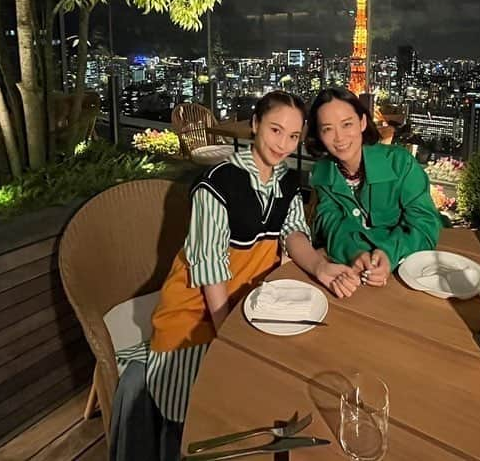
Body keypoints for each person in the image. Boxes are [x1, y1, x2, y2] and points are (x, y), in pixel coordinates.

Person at [110, 91, 359, 460]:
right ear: (255, 125)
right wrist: (230, 336)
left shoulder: (286, 183)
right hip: (197, 311)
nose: (283, 144)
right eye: (275, 130)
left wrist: (321, 267)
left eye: (292, 136)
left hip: (250, 304)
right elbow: (210, 268)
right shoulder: (216, 184)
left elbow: (294, 234)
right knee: (190, 416)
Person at [306, 88, 443, 287]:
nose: (339, 137)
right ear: (319, 134)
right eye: (327, 129)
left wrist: (389, 252)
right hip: (350, 273)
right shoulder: (323, 174)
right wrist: (355, 252)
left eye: (347, 124)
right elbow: (330, 225)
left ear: (362, 122)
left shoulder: (399, 163)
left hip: (407, 273)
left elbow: (425, 225)